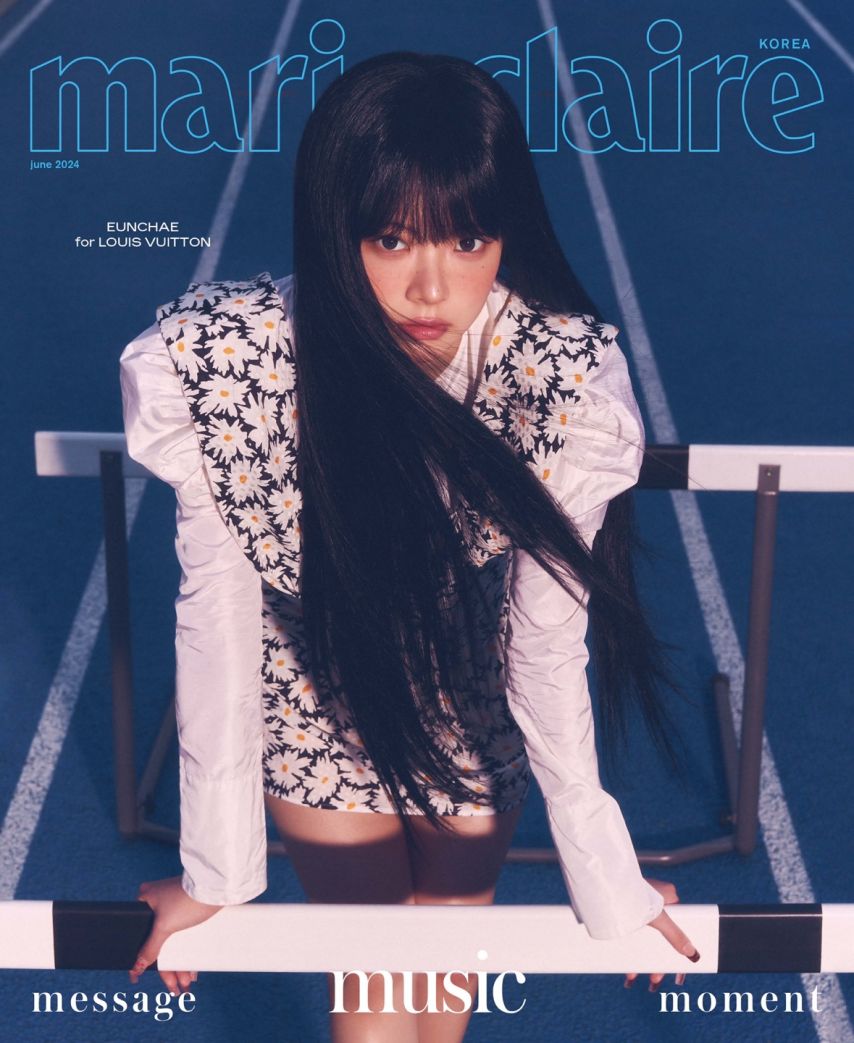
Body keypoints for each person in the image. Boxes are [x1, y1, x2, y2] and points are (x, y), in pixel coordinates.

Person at [119, 51, 699, 1042]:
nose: (430, 285)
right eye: (390, 238)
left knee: (442, 979)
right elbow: (215, 619)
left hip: (471, 705)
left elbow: (544, 644)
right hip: (313, 694)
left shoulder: (559, 383)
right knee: (380, 990)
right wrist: (213, 874)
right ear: (334, 226)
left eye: (468, 238)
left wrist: (605, 871)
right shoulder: (228, 367)